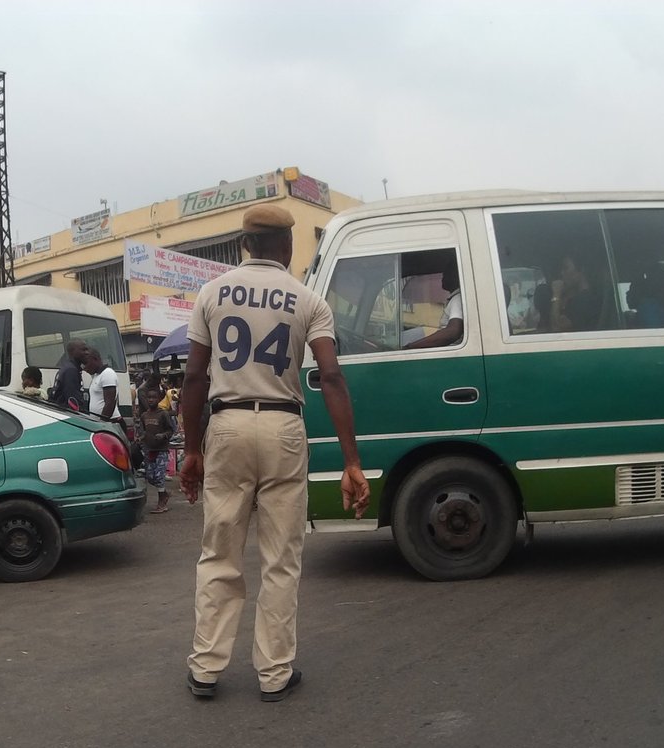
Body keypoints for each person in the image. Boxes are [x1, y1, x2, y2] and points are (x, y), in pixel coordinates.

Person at [179, 203, 370, 703]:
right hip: (284, 424)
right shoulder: (309, 300)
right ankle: (275, 674)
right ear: (285, 247)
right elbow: (330, 376)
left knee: (219, 551)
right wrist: (351, 460)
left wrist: (191, 449)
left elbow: (195, 377)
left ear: (245, 243)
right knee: (280, 558)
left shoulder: (210, 293)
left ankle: (206, 669)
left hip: (226, 424)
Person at [405, 260, 463, 349]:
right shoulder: (455, 298)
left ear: (457, 275)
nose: (443, 277)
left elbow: (453, 332)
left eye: (447, 273)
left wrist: (412, 346)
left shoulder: (457, 299)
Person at [139, 387, 176, 514]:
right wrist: (141, 437)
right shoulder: (144, 415)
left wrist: (164, 435)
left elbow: (171, 430)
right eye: (149, 398)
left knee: (159, 476)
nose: (151, 400)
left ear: (158, 399)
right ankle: (165, 493)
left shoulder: (163, 414)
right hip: (149, 450)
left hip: (161, 450)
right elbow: (142, 430)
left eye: (153, 397)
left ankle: (161, 503)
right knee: (150, 477)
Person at [556, 256, 602, 332]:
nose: (562, 273)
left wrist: (556, 294)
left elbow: (556, 329)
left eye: (566, 268)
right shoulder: (591, 297)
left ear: (581, 270)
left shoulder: (582, 301)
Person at [83, 347, 121, 424]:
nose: (84, 367)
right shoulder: (96, 376)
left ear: (95, 359)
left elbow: (110, 402)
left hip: (111, 422)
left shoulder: (107, 373)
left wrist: (102, 423)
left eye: (86, 363)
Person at [48, 339, 89, 410]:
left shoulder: (68, 367)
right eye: (83, 350)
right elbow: (74, 402)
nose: (87, 353)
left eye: (87, 350)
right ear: (72, 352)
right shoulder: (71, 370)